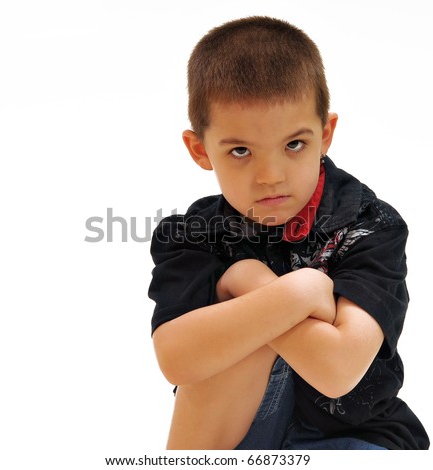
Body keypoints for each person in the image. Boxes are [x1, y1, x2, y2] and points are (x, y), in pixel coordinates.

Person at [148, 16, 430, 450]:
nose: (270, 176)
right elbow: (176, 361)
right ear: (200, 151)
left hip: (355, 437)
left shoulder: (370, 225)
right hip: (239, 439)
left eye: (294, 145)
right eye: (240, 150)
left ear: (326, 134)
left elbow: (337, 373)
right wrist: (297, 294)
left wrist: (250, 283)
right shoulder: (194, 233)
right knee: (241, 332)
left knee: (248, 316)